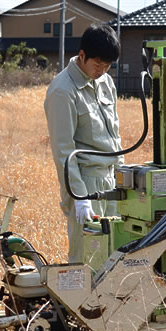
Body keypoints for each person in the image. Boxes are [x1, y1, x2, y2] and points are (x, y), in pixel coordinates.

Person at [44, 23, 122, 263]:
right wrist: (79, 197)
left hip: (112, 181)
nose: (102, 70)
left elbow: (115, 133)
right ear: (82, 56)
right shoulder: (63, 91)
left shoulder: (106, 82)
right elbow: (63, 151)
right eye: (97, 64)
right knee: (88, 260)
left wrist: (123, 176)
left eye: (108, 65)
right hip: (86, 184)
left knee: (116, 256)